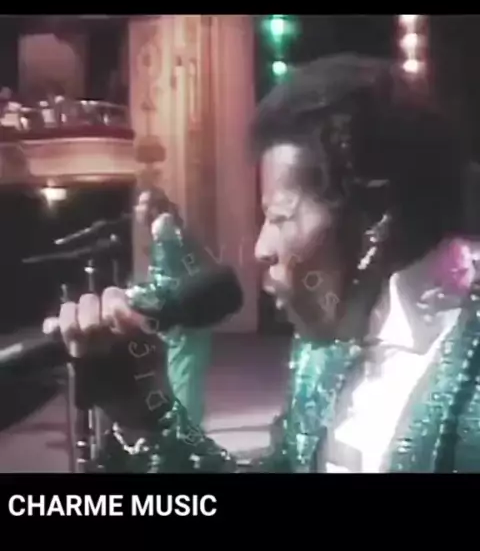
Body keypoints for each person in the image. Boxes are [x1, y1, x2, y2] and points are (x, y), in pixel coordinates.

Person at [46, 54, 480, 472]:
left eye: (279, 217)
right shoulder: (321, 356)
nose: (260, 249)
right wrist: (145, 417)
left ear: (375, 217)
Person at [129, 187, 212, 427]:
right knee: (186, 380)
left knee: (184, 384)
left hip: (188, 319)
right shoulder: (171, 229)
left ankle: (189, 439)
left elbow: (166, 283)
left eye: (142, 204)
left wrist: (134, 296)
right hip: (190, 317)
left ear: (154, 208)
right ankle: (190, 432)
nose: (137, 209)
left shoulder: (164, 230)